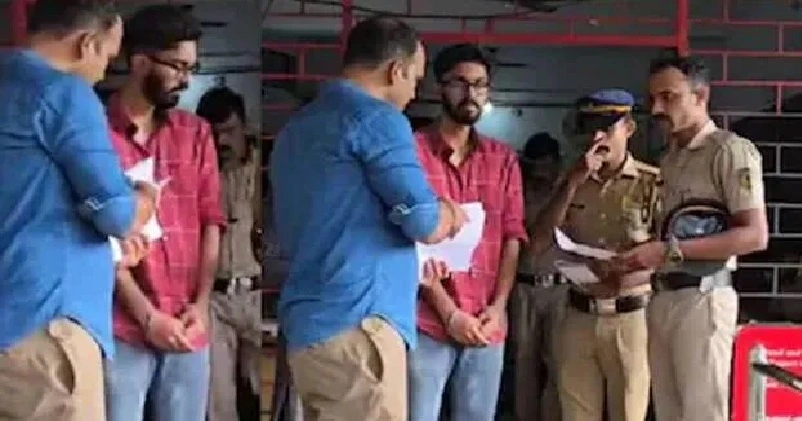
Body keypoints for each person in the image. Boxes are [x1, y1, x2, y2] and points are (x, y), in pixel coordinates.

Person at [270, 16, 465, 421]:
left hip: (307, 327)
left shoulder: (297, 127)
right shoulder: (379, 119)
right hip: (358, 325)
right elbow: (423, 221)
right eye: (415, 78)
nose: (414, 92)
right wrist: (448, 213)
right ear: (396, 71)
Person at [0, 0, 157, 420]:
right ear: (86, 44)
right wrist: (144, 199)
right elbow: (117, 214)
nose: (104, 71)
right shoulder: (63, 93)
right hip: (43, 325)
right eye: (107, 55)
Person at [609, 56, 769, 421]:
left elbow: (754, 235)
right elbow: (667, 234)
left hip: (703, 297)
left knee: (701, 412)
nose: (657, 109)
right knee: (669, 411)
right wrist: (633, 261)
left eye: (669, 97)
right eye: (653, 99)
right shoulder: (669, 159)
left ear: (700, 96)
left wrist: (669, 251)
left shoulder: (728, 150)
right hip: (663, 296)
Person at [103, 5, 226, 421]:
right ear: (140, 62)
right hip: (120, 324)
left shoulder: (195, 134)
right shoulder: (96, 134)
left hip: (188, 322)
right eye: (177, 66)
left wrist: (202, 304)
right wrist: (146, 315)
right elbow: (96, 237)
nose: (186, 79)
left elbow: (211, 221)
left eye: (192, 68)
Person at [408, 43, 527, 421]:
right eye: (460, 83)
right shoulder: (411, 152)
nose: (471, 93)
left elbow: (512, 236)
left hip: (486, 322)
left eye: (480, 85)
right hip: (426, 318)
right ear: (438, 87)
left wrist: (498, 307)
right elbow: (408, 238)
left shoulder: (502, 159)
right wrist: (448, 312)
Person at [529, 90, 659, 421]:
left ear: (629, 128)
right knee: (576, 413)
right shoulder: (571, 179)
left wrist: (624, 272)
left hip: (630, 315)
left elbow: (668, 254)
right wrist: (572, 183)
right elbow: (539, 243)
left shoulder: (652, 183)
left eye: (607, 128)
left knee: (628, 412)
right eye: (590, 129)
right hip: (578, 312)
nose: (597, 137)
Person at [196, 86, 262, 421]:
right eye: (214, 134)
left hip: (259, 294)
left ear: (244, 127)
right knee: (219, 400)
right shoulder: (197, 172)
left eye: (229, 131)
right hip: (215, 298)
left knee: (261, 389)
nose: (222, 141)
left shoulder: (264, 166)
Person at [502, 132, 566, 421]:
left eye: (547, 163)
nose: (542, 170)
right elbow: (532, 240)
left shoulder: (567, 191)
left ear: (556, 162)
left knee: (558, 364)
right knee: (524, 363)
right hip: (525, 286)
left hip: (560, 287)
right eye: (536, 163)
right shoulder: (519, 192)